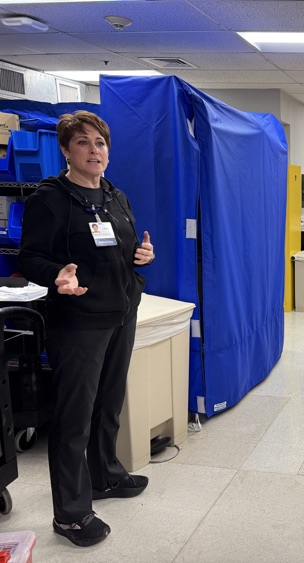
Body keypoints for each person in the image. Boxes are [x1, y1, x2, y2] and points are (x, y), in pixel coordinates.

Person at [18, 111, 155, 547]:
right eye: (83, 143)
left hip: (120, 314)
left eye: (100, 143)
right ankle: (71, 514)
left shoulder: (115, 196)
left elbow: (124, 248)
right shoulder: (52, 198)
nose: (94, 151)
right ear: (65, 150)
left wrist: (143, 257)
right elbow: (30, 258)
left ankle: (106, 477)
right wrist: (58, 273)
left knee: (108, 406)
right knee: (74, 417)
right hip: (78, 322)